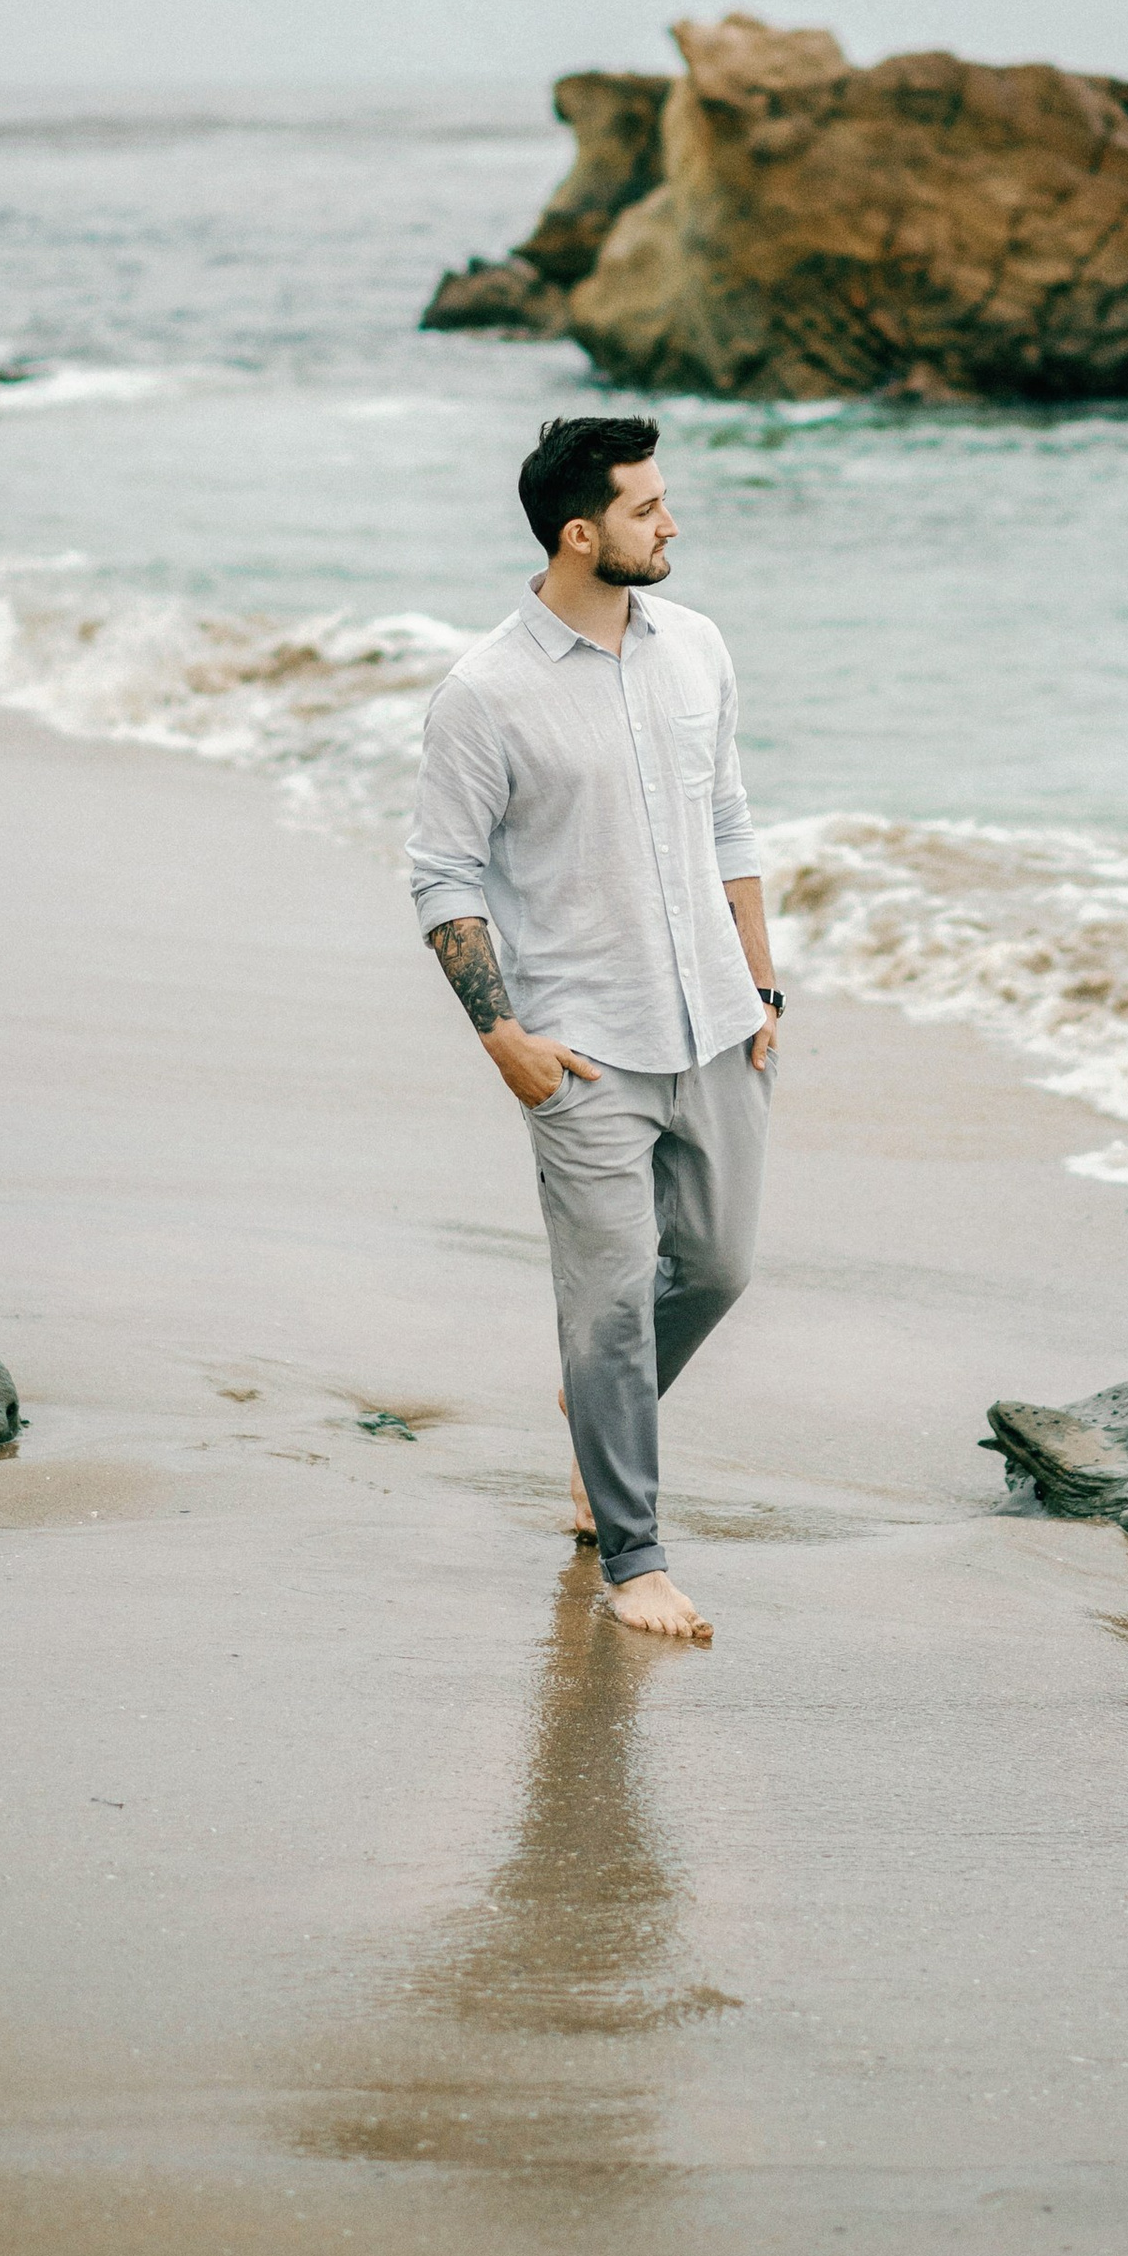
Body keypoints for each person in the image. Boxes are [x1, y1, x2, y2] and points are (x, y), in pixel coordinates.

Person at [405, 414, 780, 1644]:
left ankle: (595, 1406)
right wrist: (500, 1037)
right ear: (581, 533)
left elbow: (728, 824)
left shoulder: (700, 649)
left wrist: (764, 990)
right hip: (580, 1049)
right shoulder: (485, 695)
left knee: (716, 1269)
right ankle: (632, 1558)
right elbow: (444, 878)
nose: (671, 523)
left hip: (717, 1027)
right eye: (646, 508)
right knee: (611, 1300)